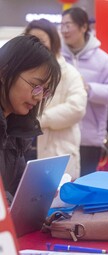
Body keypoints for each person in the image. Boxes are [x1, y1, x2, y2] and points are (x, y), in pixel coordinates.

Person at [60, 7, 108, 176]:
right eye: (62, 25)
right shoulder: (56, 57)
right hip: (60, 136)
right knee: (61, 187)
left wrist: (89, 89)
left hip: (89, 138)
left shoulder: (102, 59)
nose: (64, 30)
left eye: (69, 25)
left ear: (83, 27)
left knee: (84, 187)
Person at [0, 35, 61, 200]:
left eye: (45, 90)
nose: (39, 97)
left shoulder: (15, 127)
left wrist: (39, 194)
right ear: (4, 73)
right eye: (36, 86)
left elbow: (16, 185)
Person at [25, 19, 87, 179]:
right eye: (31, 41)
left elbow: (77, 108)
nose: (36, 46)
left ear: (53, 42)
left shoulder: (69, 73)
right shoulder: (23, 73)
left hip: (57, 152)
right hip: (24, 149)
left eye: (42, 41)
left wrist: (40, 120)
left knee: (56, 199)